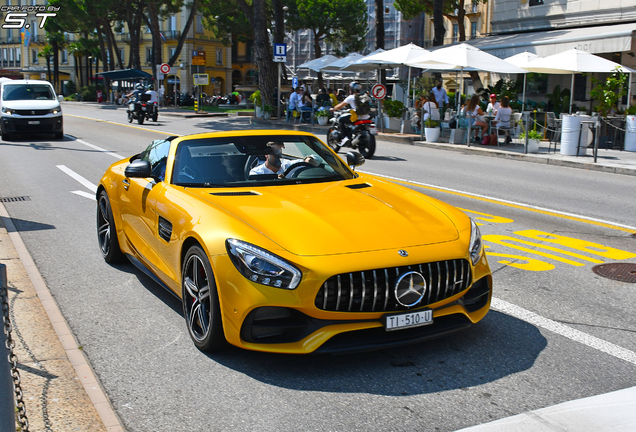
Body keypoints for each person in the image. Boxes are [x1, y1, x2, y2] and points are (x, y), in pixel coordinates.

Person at [249, 142, 321, 178]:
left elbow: (319, 159)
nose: (278, 156)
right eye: (274, 153)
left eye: (279, 152)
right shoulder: (257, 172)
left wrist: (309, 159)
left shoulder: (287, 165)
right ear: (266, 155)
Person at [331, 82, 369, 146]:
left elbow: (340, 105)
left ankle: (344, 137)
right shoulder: (365, 96)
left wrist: (333, 109)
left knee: (341, 119)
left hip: (356, 118)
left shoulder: (351, 97)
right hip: (366, 117)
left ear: (351, 89)